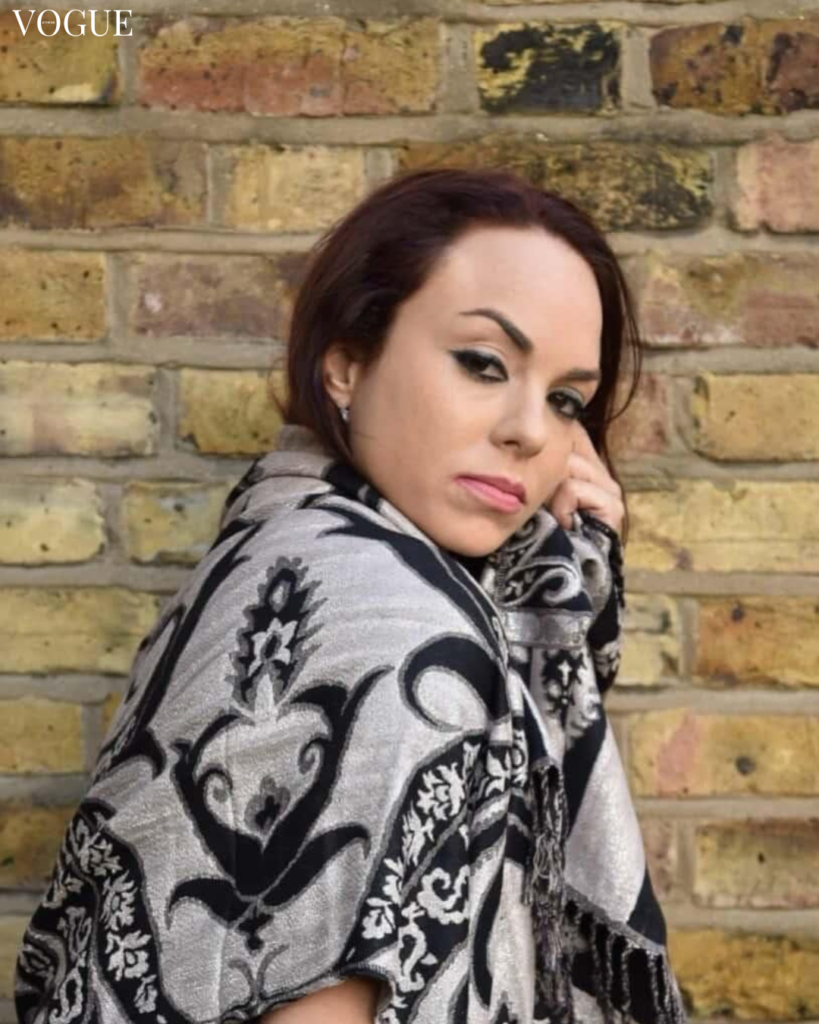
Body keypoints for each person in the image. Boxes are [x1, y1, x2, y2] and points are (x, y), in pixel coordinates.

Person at [15, 167, 686, 1024]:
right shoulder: (399, 625)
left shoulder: (275, 554)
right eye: (483, 364)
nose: (529, 431)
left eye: (565, 401)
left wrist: (552, 582)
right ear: (346, 362)